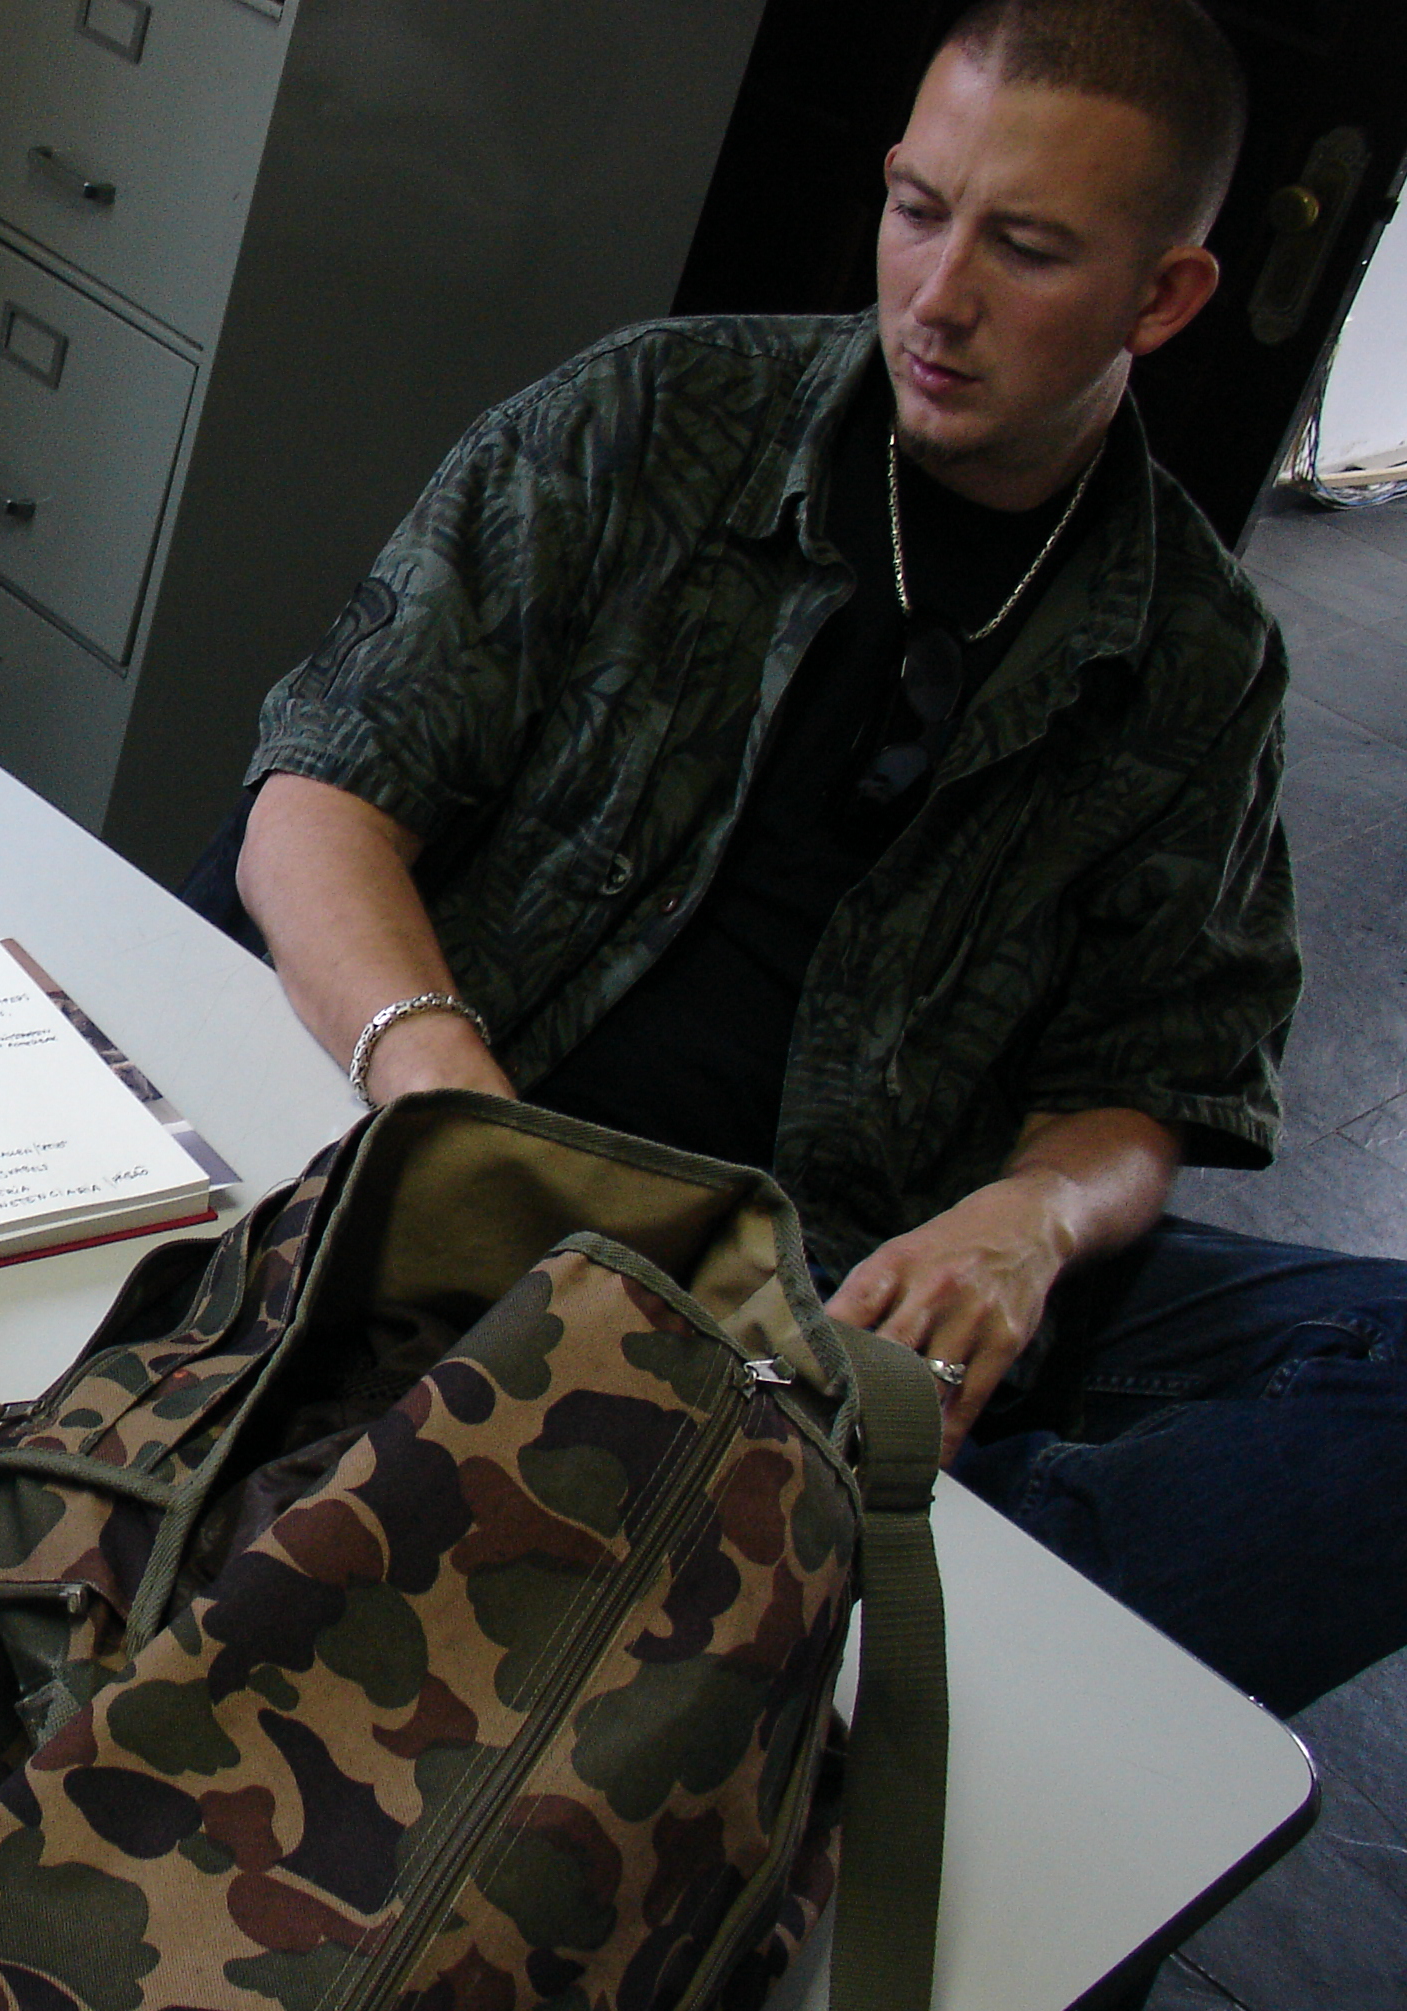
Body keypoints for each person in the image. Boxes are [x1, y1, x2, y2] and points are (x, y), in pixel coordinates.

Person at [218, 0, 1407, 1720]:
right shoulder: (653, 420)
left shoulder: (1196, 652)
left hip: (851, 1289)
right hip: (519, 1171)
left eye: (1026, 250)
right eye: (918, 210)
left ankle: (788, 1608)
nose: (937, 295)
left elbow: (1154, 1072)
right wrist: (452, 1100)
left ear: (1163, 299)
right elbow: (315, 802)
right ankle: (815, 1632)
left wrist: (1032, 1217)